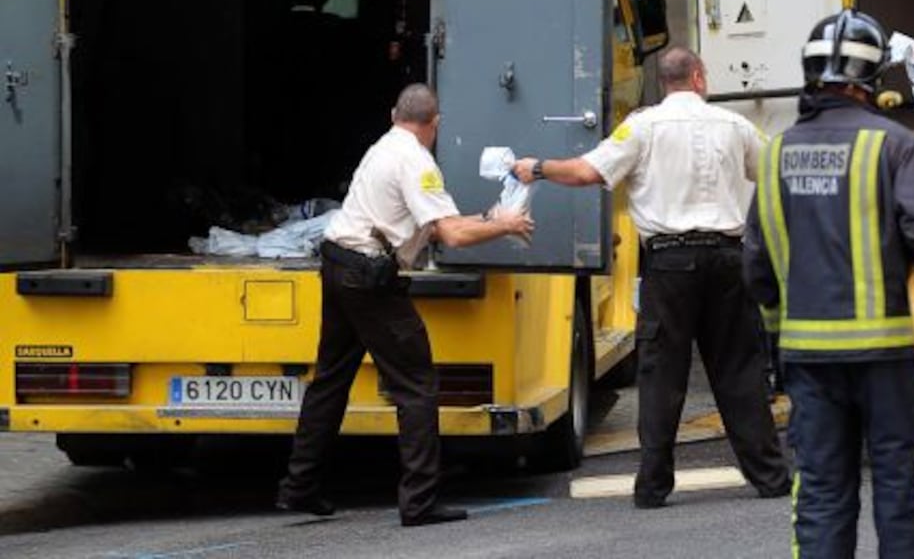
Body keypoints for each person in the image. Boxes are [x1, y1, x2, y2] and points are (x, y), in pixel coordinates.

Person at [512, 47, 790, 509]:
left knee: (662, 374)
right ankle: (770, 477)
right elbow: (774, 172)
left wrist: (537, 168)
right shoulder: (734, 126)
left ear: (664, 82)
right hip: (726, 259)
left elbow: (586, 172)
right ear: (699, 77)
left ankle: (654, 486)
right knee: (739, 371)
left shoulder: (641, 128)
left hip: (669, 264)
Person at [744, 9, 914, 557]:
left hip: (808, 360)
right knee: (905, 490)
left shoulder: (775, 157)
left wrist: (780, 337)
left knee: (818, 493)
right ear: (872, 79)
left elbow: (757, 269)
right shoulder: (893, 145)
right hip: (891, 356)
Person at [276, 84, 534, 526]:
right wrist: (505, 227)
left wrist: (489, 220)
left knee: (331, 380)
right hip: (368, 278)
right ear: (434, 125)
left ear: (395, 113)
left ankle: (300, 485)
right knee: (416, 383)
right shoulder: (417, 161)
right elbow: (450, 235)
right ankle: (419, 501)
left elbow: (434, 225)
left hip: (338, 265)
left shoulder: (383, 147)